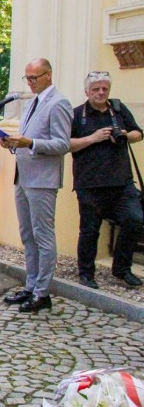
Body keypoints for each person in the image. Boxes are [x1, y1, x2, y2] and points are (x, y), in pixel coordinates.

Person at [0, 58, 73, 313]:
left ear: (48, 75)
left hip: (42, 180)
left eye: (34, 78)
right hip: (24, 176)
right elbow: (26, 140)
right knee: (27, 234)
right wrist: (12, 143)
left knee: (43, 235)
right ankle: (30, 286)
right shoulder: (32, 103)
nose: (30, 82)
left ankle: (43, 292)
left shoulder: (59, 103)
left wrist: (30, 143)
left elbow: (63, 144)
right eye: (27, 78)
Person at [69, 71, 143, 289]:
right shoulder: (76, 114)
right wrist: (93, 138)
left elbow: (138, 133)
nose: (101, 93)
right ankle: (86, 273)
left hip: (122, 182)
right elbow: (66, 144)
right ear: (87, 92)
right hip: (89, 183)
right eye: (96, 89)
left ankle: (121, 268)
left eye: (104, 89)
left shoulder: (118, 109)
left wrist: (124, 135)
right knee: (90, 230)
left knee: (134, 220)